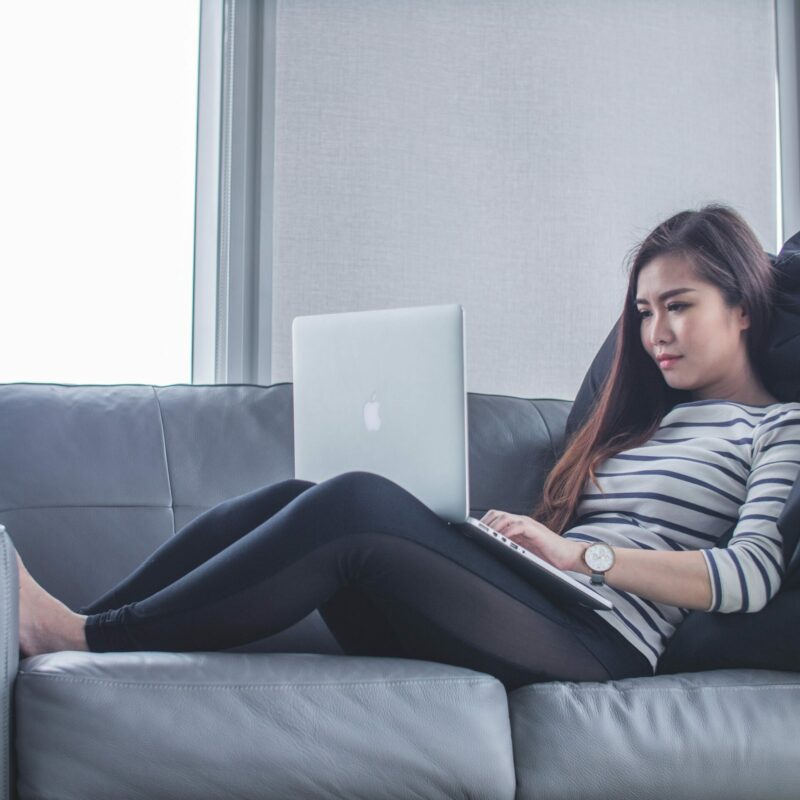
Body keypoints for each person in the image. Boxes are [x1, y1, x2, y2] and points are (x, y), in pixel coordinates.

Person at [15, 203, 800, 691]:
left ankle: (82, 637)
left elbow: (753, 575)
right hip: (539, 603)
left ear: (742, 308)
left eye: (678, 307)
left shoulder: (780, 429)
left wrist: (579, 557)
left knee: (358, 502)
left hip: (605, 642)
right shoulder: (644, 422)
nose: (653, 332)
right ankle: (93, 622)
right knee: (304, 497)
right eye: (641, 311)